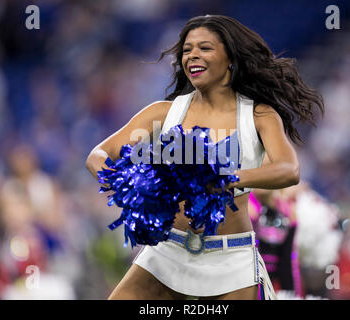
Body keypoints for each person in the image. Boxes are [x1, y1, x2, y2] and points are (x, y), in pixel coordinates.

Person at [85, 15, 324, 300]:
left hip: (230, 257)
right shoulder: (164, 113)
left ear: (230, 58)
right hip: (167, 253)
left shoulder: (257, 115)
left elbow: (288, 169)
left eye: (205, 48)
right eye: (187, 50)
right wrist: (126, 183)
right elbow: (98, 155)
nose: (193, 55)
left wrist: (228, 179)